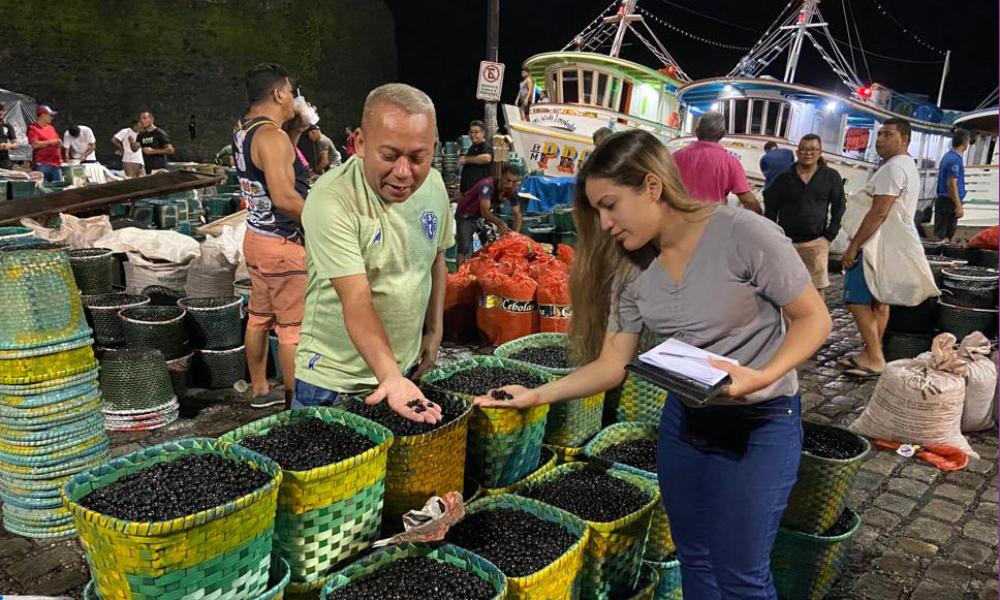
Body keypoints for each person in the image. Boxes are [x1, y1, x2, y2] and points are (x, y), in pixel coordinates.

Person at [475, 129, 831, 598]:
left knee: (741, 573)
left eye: (610, 205)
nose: (603, 223)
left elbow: (814, 320)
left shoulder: (744, 233)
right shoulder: (631, 267)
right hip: (685, 423)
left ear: (652, 186)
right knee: (695, 558)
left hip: (760, 425)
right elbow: (611, 364)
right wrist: (536, 395)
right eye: (596, 211)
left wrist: (761, 376)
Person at [293, 83, 454, 424]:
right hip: (334, 383)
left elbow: (436, 258)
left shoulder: (435, 186)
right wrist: (391, 376)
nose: (403, 172)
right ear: (361, 144)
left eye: (417, 157)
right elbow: (356, 298)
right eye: (390, 155)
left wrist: (434, 330)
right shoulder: (331, 199)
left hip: (403, 375)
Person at [234, 63, 312, 409]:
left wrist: (294, 129)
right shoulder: (272, 137)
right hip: (283, 245)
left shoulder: (245, 130)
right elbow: (284, 197)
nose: (294, 99)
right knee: (293, 328)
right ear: (280, 93)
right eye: (291, 92)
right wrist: (324, 222)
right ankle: (295, 403)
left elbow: (275, 169)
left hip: (255, 237)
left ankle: (260, 389)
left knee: (259, 318)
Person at [840, 117, 920, 378]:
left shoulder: (892, 169)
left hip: (874, 244)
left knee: (855, 300)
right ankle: (870, 352)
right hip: (891, 246)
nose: (880, 139)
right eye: (880, 134)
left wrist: (854, 246)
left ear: (905, 139)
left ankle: (875, 357)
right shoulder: (908, 166)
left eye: (887, 134)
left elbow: (879, 212)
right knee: (879, 301)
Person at [764, 134, 846, 294]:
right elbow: (771, 209)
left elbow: (839, 206)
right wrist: (773, 237)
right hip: (787, 243)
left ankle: (818, 319)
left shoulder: (831, 177)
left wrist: (829, 236)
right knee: (783, 290)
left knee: (817, 292)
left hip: (816, 243)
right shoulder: (783, 178)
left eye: (812, 149)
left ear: (820, 152)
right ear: (797, 152)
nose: (807, 153)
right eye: (803, 150)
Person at [672, 112, 761, 213]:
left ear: (697, 131)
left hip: (678, 219)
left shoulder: (675, 157)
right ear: (723, 134)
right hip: (712, 222)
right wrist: (761, 220)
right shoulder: (731, 163)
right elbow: (749, 201)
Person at [455, 165, 522, 266]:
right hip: (466, 215)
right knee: (464, 247)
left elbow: (517, 214)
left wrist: (515, 234)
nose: (510, 184)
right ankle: (459, 276)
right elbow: (485, 211)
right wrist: (500, 223)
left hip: (480, 217)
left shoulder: (511, 190)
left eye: (514, 182)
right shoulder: (486, 185)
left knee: (492, 245)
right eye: (508, 180)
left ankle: (484, 271)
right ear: (501, 177)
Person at [933, 129, 970, 241]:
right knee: (945, 235)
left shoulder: (948, 156)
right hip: (949, 201)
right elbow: (952, 184)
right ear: (964, 142)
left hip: (945, 200)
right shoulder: (955, 160)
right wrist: (958, 205)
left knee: (944, 234)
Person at [27, 105, 63, 182]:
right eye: (50, 115)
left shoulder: (51, 127)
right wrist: (51, 142)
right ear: (43, 115)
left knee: (59, 189)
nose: (51, 118)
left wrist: (59, 143)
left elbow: (57, 140)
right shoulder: (33, 128)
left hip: (56, 164)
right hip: (42, 164)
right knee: (43, 188)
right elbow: (34, 144)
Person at [459, 120, 493, 194]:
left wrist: (466, 159)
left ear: (483, 133)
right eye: (471, 132)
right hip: (469, 192)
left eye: (476, 132)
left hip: (479, 193)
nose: (473, 135)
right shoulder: (472, 147)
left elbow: (487, 158)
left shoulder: (485, 146)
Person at [0, 105, 20, 170]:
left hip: (5, 162)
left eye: (2, 111)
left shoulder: (7, 126)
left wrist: (9, 146)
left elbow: (16, 144)